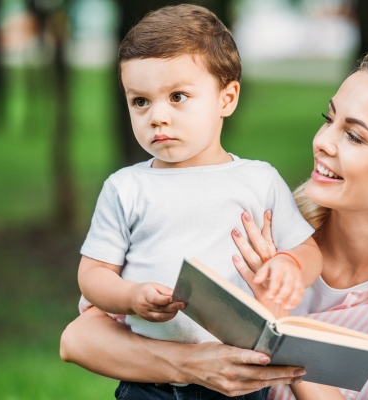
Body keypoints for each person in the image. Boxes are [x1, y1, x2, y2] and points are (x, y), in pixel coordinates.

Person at [61, 49, 368, 400]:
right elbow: (78, 339)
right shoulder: (258, 222)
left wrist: (284, 329)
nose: (322, 141)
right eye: (328, 118)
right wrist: (195, 366)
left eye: (353, 136)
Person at [75, 5, 322, 399]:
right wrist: (130, 296)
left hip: (238, 378)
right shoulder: (127, 188)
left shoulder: (258, 180)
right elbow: (92, 274)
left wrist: (290, 265)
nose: (157, 116)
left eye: (177, 97)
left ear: (227, 98)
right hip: (148, 381)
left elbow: (307, 250)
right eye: (140, 101)